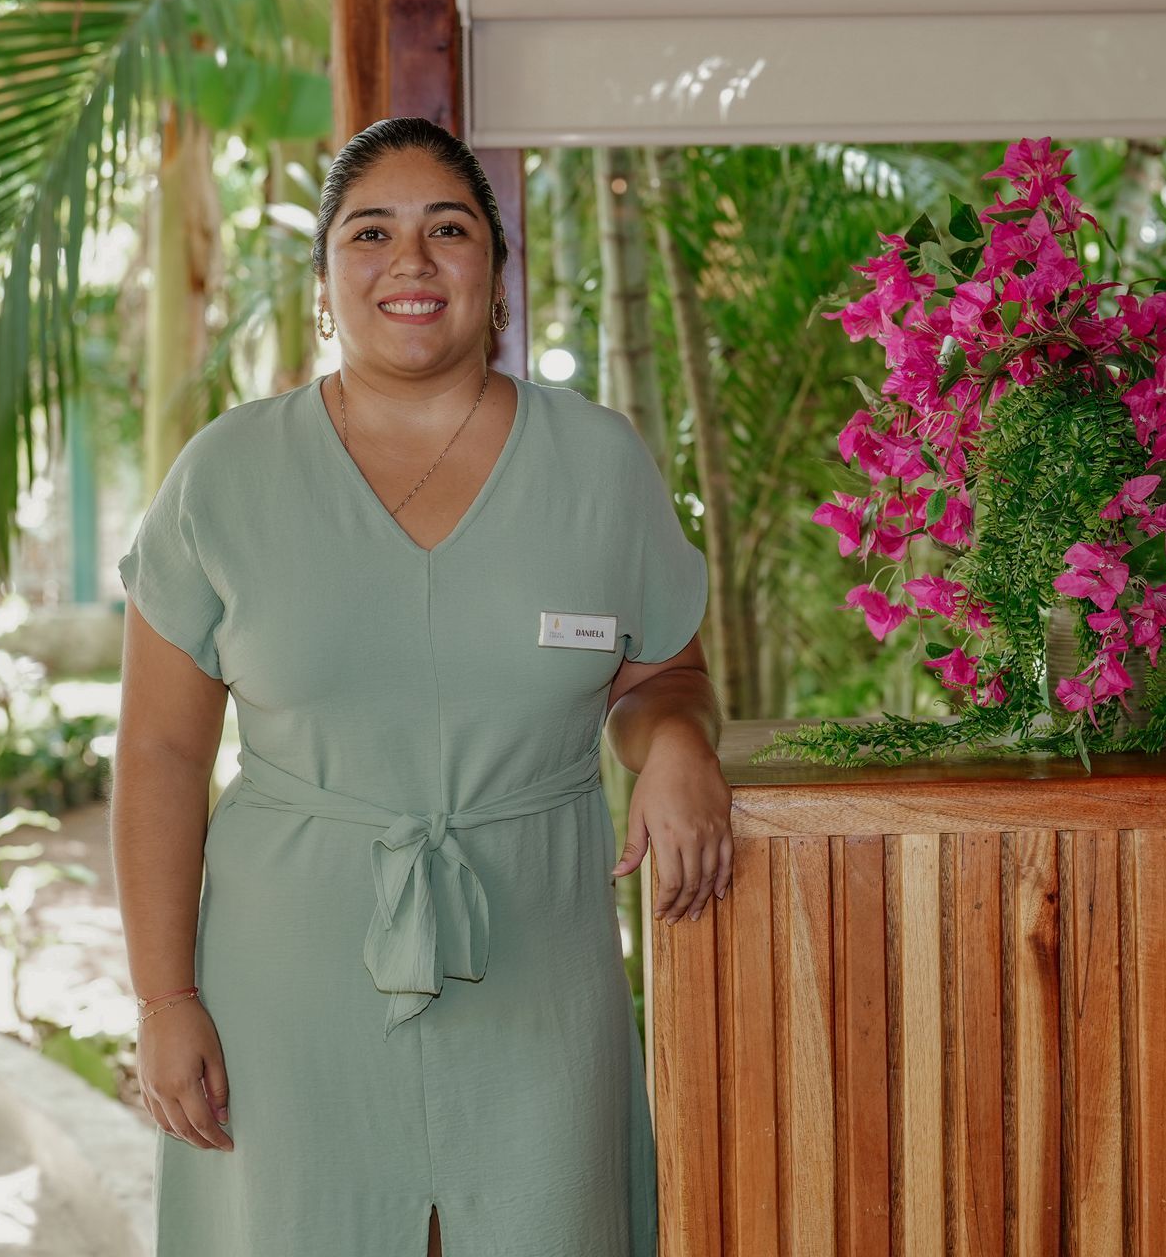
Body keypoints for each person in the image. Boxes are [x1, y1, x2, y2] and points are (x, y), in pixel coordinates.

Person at [109, 115, 732, 1257]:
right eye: (370, 232)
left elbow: (664, 675)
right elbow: (158, 753)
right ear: (325, 278)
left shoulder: (599, 465)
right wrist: (164, 999)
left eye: (449, 228)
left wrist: (679, 744)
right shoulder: (226, 476)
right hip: (287, 986)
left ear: (495, 272)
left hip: (538, 968)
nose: (411, 260)